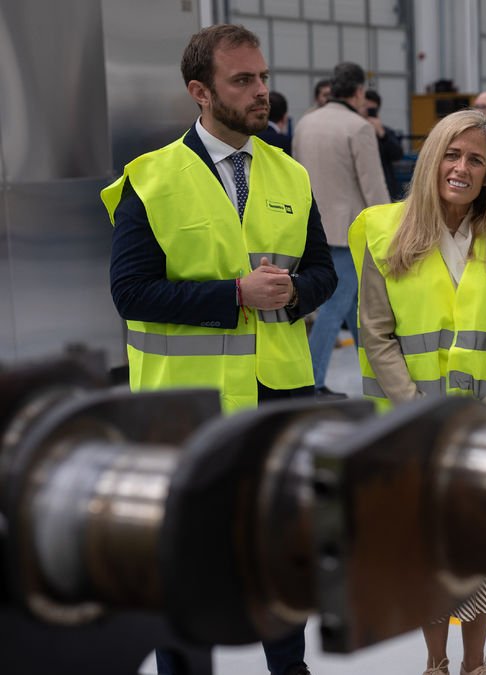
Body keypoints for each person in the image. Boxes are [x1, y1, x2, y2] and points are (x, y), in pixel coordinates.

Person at [104, 24, 335, 675]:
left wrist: (292, 291)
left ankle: (290, 669)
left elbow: (324, 272)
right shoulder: (149, 179)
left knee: (277, 553)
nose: (261, 91)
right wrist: (234, 293)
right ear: (200, 92)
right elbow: (131, 293)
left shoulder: (290, 172)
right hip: (188, 407)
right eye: (244, 80)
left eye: (262, 76)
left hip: (277, 396)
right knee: (189, 562)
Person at [350, 108, 486, 675]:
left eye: (476, 160)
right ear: (432, 159)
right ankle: (436, 664)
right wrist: (419, 414)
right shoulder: (384, 232)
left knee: (480, 553)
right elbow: (376, 333)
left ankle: (475, 665)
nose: (462, 168)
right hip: (414, 434)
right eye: (452, 155)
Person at [293, 61, 391, 396]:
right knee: (335, 309)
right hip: (348, 231)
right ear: (360, 91)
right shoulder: (358, 127)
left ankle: (379, 371)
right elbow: (373, 187)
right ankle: (312, 382)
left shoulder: (305, 123)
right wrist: (388, 230)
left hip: (311, 228)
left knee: (352, 306)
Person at [364, 88, 407, 200]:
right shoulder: (355, 132)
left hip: (385, 183)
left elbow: (398, 154)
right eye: (366, 109)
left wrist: (382, 134)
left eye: (373, 110)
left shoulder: (385, 132)